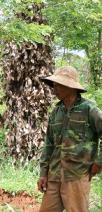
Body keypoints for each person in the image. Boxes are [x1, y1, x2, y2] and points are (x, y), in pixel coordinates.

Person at [37, 66, 102, 212]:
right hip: (54, 175)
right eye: (54, 85)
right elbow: (48, 144)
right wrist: (43, 173)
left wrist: (99, 162)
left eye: (59, 85)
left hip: (77, 176)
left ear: (71, 87)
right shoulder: (56, 111)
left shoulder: (89, 109)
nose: (55, 88)